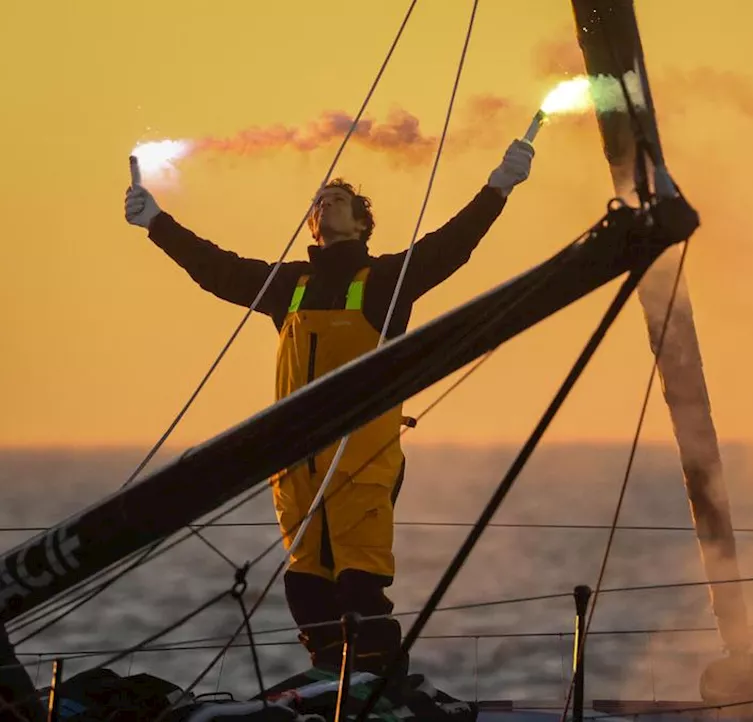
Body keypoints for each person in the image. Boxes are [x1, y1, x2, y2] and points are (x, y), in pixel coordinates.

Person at [122, 140, 535, 681]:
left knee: (360, 584)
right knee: (305, 585)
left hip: (361, 462)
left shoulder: (384, 281)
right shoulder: (289, 286)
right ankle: (329, 685)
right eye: (319, 200)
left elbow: (449, 247)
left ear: (363, 224)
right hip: (295, 470)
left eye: (337, 198)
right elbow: (216, 269)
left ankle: (381, 689)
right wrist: (157, 223)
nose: (325, 204)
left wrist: (497, 188)